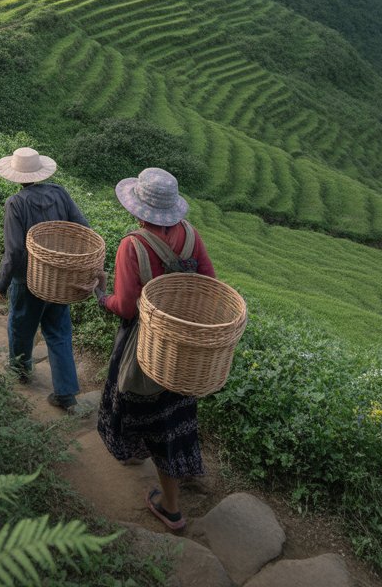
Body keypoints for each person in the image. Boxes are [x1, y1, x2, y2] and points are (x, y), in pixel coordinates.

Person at [90, 168, 216, 532]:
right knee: (178, 411)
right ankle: (185, 470)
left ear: (138, 208)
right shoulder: (190, 235)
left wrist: (101, 296)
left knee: (149, 413)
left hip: (148, 348)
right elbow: (210, 284)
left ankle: (171, 507)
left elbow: (127, 308)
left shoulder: (133, 246)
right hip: (186, 345)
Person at [0, 147, 88, 412]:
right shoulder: (59, 193)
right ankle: (66, 394)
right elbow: (83, 228)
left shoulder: (15, 203)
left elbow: (14, 252)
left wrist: (1, 284)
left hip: (28, 280)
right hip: (58, 280)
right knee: (59, 332)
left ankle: (21, 371)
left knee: (20, 327)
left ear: (16, 176)